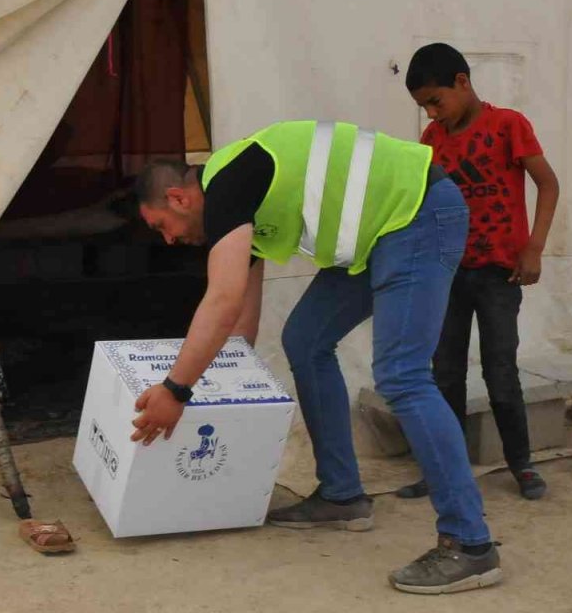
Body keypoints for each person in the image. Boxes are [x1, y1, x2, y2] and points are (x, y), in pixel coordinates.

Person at [128, 120, 500, 594]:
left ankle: (470, 545)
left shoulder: (229, 181)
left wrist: (175, 390)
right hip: (379, 235)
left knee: (402, 377)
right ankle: (342, 496)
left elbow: (220, 300)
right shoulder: (240, 200)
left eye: (162, 226)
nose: (168, 239)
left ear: (179, 198)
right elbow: (239, 318)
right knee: (304, 340)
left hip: (417, 213)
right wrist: (224, 389)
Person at [395, 43, 560, 501]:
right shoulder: (432, 140)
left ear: (463, 83)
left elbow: (548, 183)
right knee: (443, 373)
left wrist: (534, 248)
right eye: (424, 106)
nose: (431, 113)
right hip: (445, 273)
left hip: (499, 274)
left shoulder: (509, 125)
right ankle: (443, 468)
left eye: (435, 100)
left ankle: (521, 464)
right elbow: (420, 199)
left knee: (500, 371)